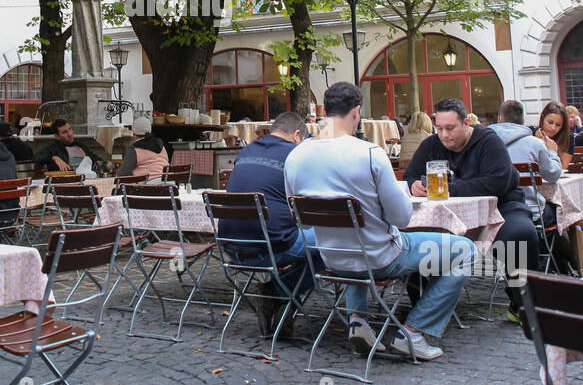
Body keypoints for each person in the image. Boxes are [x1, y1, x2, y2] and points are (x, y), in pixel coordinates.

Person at [286, 85, 475, 361]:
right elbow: (402, 218)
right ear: (357, 112)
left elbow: (300, 221)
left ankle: (358, 321)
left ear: (324, 112)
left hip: (332, 257)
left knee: (355, 242)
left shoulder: (295, 156)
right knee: (466, 251)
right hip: (380, 257)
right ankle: (414, 332)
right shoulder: (370, 154)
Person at [406, 96, 535, 323]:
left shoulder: (488, 142)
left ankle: (524, 303)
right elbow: (410, 176)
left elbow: (498, 182)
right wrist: (414, 185)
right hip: (446, 217)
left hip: (500, 208)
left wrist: (449, 188)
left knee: (520, 234)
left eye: (450, 128)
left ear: (466, 124)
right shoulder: (431, 144)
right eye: (440, 128)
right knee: (419, 236)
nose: (444, 135)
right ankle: (425, 303)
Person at [222, 111, 323, 335]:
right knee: (334, 241)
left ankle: (281, 298)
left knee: (305, 241)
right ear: (298, 135)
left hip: (231, 247)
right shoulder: (296, 156)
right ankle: (279, 293)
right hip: (270, 247)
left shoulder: (247, 150)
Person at [489, 100, 562, 225]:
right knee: (561, 212)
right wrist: (553, 153)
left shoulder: (485, 142)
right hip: (531, 211)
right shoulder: (535, 143)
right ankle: (543, 244)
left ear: (500, 118)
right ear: (522, 121)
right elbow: (553, 175)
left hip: (494, 213)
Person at [535, 101, 572, 169]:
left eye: (558, 125)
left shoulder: (568, 137)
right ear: (543, 118)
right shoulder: (532, 134)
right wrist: (539, 143)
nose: (553, 128)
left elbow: (562, 168)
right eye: (550, 122)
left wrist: (551, 150)